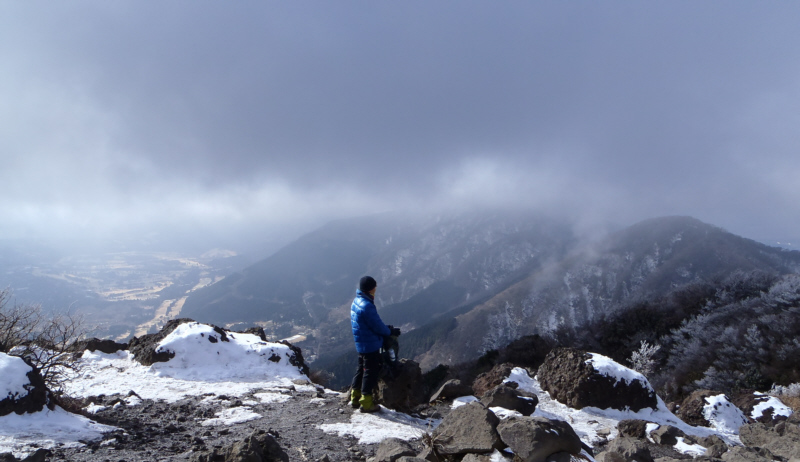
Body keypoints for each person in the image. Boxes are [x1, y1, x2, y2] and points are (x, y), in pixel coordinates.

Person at [349, 275, 400, 412]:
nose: (375, 290)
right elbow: (377, 326)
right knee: (370, 372)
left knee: (361, 369)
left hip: (361, 342)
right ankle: (366, 403)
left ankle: (355, 397)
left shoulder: (357, 301)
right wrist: (390, 332)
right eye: (374, 288)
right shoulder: (367, 306)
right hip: (370, 344)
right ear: (371, 289)